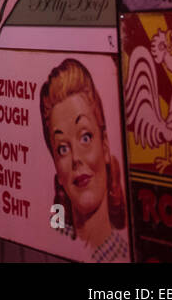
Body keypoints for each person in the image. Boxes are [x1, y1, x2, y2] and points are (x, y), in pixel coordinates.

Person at [40, 58, 130, 262]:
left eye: (85, 137)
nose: (76, 159)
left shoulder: (123, 256)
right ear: (55, 165)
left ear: (105, 145)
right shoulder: (50, 243)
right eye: (62, 148)